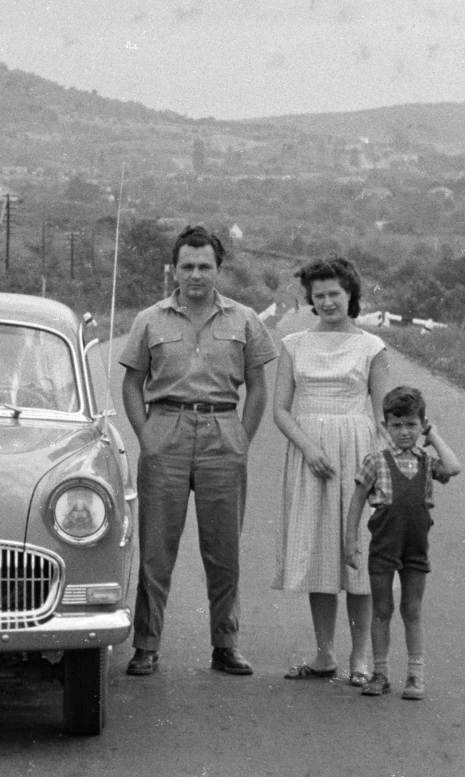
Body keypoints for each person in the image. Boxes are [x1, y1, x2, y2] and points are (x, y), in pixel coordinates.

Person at [119, 225, 276, 676]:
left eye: (205, 266)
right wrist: (146, 434)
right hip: (165, 430)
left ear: (218, 269)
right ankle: (146, 645)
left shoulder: (244, 319)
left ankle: (225, 644)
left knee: (223, 549)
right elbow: (131, 383)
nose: (196, 275)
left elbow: (259, 386)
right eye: (187, 266)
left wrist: (242, 437)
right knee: (156, 549)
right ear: (174, 268)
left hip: (221, 433)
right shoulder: (150, 319)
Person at [272, 256, 389, 686]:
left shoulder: (371, 347)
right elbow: (280, 411)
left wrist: (378, 466)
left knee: (354, 553)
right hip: (312, 458)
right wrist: (308, 448)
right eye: (318, 295)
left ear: (350, 295)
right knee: (320, 552)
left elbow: (383, 416)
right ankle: (324, 654)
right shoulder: (294, 344)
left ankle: (360, 657)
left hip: (358, 454)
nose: (326, 302)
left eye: (334, 294)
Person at [343, 385, 461, 699]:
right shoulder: (376, 461)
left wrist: (432, 436)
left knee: (412, 609)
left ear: (421, 425)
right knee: (382, 608)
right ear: (385, 427)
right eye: (397, 425)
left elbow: (453, 467)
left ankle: (415, 676)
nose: (404, 432)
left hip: (415, 550)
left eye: (411, 425)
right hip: (383, 548)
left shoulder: (426, 461)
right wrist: (350, 539)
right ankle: (380, 673)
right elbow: (356, 501)